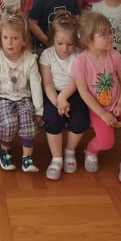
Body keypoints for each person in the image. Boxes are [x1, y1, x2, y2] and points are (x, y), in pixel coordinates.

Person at [70, 12, 121, 184]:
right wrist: (102, 113)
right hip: (98, 108)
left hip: (119, 102)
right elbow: (84, 93)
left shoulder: (114, 55)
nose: (110, 36)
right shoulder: (80, 62)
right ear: (89, 40)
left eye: (110, 32)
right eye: (103, 34)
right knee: (106, 141)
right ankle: (91, 150)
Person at [0, 13, 43, 172]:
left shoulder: (30, 59)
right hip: (3, 97)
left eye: (15, 38)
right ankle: (4, 151)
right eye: (5, 38)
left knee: (28, 121)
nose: (9, 43)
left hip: (23, 97)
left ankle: (27, 158)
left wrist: (39, 109)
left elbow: (36, 85)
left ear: (24, 40)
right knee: (9, 122)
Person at [39, 12, 89, 179]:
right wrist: (57, 101)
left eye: (70, 44)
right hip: (53, 95)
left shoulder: (80, 55)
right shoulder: (47, 55)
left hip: (75, 92)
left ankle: (69, 151)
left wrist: (63, 98)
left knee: (80, 120)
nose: (65, 48)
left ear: (76, 41)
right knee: (52, 120)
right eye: (60, 43)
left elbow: (76, 80)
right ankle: (57, 158)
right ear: (52, 38)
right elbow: (47, 83)